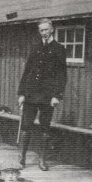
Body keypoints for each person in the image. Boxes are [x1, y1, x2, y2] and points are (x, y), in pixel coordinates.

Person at [17, 18, 67, 171]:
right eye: (41, 30)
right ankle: (22, 158)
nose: (44, 33)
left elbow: (62, 75)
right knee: (26, 126)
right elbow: (27, 72)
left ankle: (42, 160)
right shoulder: (35, 47)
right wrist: (22, 93)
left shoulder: (59, 49)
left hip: (47, 96)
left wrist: (57, 96)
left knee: (45, 127)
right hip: (31, 94)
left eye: (46, 30)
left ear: (51, 29)